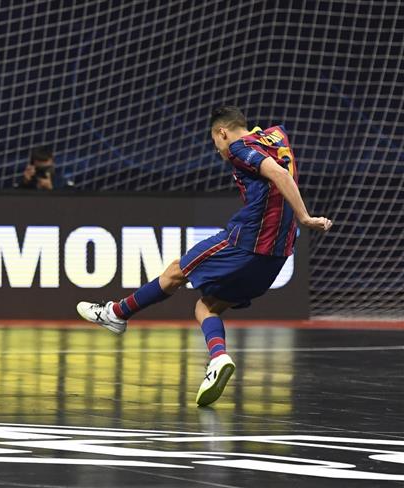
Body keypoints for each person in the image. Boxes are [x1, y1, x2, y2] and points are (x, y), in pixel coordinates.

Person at [77, 106, 333, 407]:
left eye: (216, 143)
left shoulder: (238, 148)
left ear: (222, 132)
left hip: (246, 239)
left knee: (175, 271)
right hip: (277, 254)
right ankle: (218, 359)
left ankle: (116, 314)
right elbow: (279, 167)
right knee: (206, 305)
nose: (219, 151)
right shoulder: (277, 135)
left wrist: (305, 217)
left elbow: (276, 173)